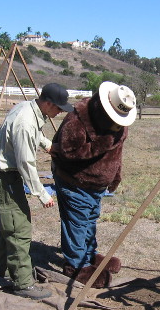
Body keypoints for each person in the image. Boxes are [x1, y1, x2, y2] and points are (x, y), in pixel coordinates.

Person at [0, 83, 73, 300]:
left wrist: (47, 145)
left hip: (5, 175)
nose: (60, 112)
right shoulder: (25, 122)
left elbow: (35, 134)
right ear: (47, 103)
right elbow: (26, 163)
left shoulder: (28, 108)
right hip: (6, 177)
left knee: (7, 227)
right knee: (18, 229)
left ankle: (2, 271)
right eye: (59, 108)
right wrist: (42, 194)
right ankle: (23, 283)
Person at [50, 81, 137, 288]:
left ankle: (90, 255)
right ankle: (76, 266)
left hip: (96, 186)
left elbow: (117, 153)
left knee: (89, 220)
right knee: (77, 224)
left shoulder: (118, 124)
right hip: (75, 182)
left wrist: (115, 175)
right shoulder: (78, 118)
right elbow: (69, 151)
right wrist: (102, 143)